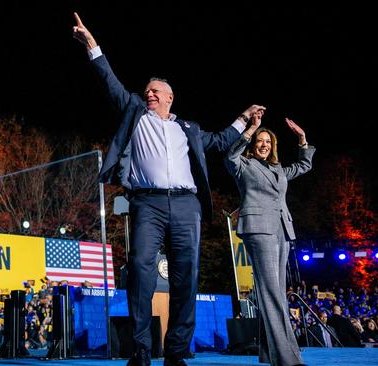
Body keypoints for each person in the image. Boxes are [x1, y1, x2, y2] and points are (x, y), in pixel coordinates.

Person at [72, 12, 256, 366]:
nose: (148, 94)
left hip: (187, 206)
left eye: (155, 91)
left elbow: (219, 141)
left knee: (186, 275)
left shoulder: (188, 128)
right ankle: (140, 351)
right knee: (140, 268)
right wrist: (92, 45)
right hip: (148, 205)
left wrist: (244, 118)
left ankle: (176, 352)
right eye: (146, 92)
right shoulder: (136, 114)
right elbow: (110, 82)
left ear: (170, 97)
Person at [224, 111, 315, 364]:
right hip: (258, 229)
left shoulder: (278, 170)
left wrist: (302, 139)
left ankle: (268, 352)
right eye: (259, 141)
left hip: (282, 230)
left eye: (268, 141)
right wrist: (252, 128)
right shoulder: (243, 165)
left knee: (274, 290)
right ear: (253, 145)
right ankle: (287, 357)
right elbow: (230, 155)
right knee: (272, 291)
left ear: (273, 146)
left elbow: (304, 165)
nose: (264, 144)